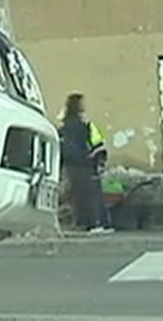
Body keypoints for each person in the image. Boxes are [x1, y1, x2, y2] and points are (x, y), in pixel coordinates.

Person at [60, 93, 114, 234]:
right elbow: (98, 145)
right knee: (92, 195)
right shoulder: (86, 125)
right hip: (87, 164)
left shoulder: (64, 127)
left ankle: (84, 223)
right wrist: (99, 161)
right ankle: (97, 223)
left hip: (72, 166)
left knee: (79, 196)